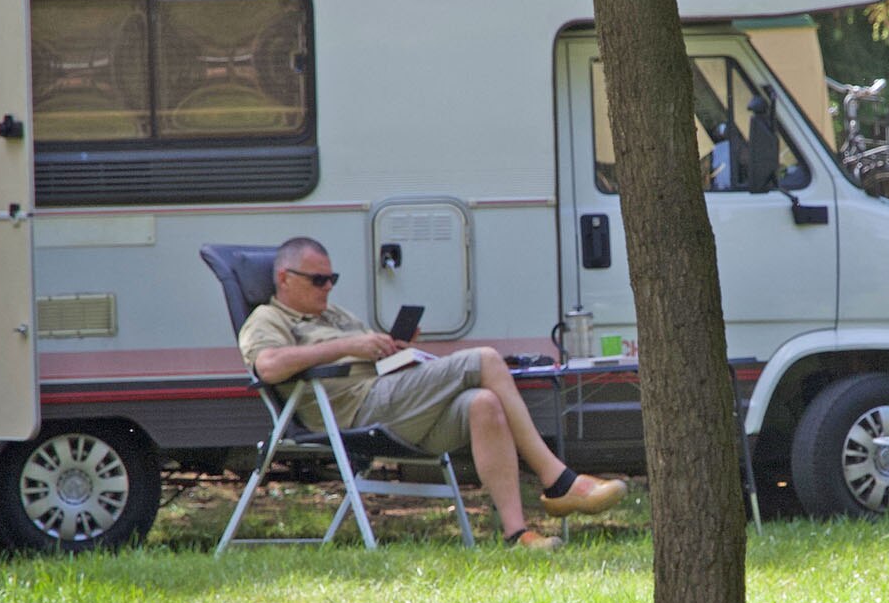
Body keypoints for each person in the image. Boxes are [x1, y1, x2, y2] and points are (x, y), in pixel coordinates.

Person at [238, 235, 624, 551]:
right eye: (318, 280)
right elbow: (268, 367)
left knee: (484, 404)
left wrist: (396, 351)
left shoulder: (335, 315)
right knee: (486, 359)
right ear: (285, 279)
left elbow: (370, 359)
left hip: (391, 402)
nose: (328, 287)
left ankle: (516, 534)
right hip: (354, 412)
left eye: (332, 279)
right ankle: (557, 481)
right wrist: (345, 347)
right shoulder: (266, 319)